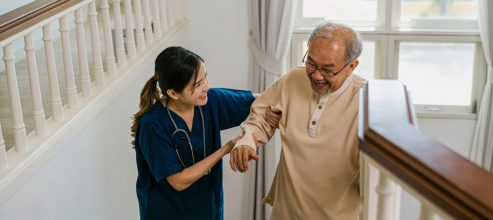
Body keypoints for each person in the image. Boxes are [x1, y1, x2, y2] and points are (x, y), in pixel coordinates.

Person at [229, 22, 367, 219]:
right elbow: (261, 117)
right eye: (311, 63)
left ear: (351, 66)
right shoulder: (294, 79)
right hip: (285, 212)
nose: (317, 75)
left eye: (328, 69)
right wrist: (247, 141)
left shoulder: (366, 101)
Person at [130, 46, 280, 220]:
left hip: (208, 209)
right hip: (168, 213)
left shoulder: (211, 102)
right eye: (197, 84)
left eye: (205, 77)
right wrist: (226, 148)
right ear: (173, 93)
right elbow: (178, 181)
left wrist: (276, 107)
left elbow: (259, 100)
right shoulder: (153, 125)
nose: (206, 86)